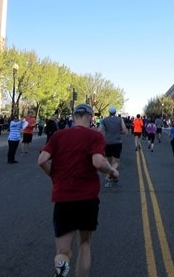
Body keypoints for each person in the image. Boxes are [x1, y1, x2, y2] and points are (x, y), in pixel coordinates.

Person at [38, 104, 118, 277]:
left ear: (74, 118)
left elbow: (42, 160)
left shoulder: (59, 135)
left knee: (63, 251)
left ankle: (62, 268)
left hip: (63, 198)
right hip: (87, 199)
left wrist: (55, 177)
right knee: (85, 243)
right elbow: (98, 162)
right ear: (90, 117)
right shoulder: (94, 136)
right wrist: (112, 171)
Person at [99, 105, 127, 188]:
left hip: (107, 143)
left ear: (109, 112)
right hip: (117, 143)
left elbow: (99, 130)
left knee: (108, 161)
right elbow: (125, 130)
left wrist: (104, 136)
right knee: (116, 162)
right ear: (115, 112)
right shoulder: (120, 119)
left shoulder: (104, 120)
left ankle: (114, 177)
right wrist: (120, 133)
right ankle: (108, 176)